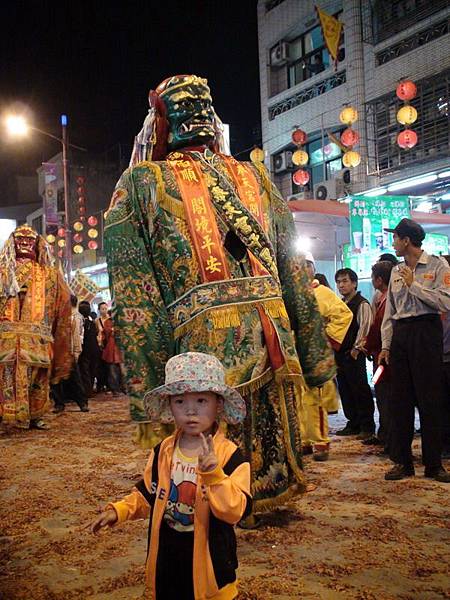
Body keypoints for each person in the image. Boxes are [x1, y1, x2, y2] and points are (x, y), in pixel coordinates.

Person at [104, 74, 335, 511]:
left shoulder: (141, 183)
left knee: (208, 420)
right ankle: (264, 494)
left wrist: (150, 381)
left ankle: (216, 504)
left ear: (162, 122)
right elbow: (292, 269)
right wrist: (313, 353)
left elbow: (136, 295)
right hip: (272, 329)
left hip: (203, 337)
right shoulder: (256, 177)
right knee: (265, 416)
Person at [89, 352, 251, 599]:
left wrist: (215, 476)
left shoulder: (230, 457)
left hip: (210, 562)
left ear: (218, 404)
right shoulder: (164, 450)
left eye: (201, 401)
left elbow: (235, 511)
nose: (190, 411)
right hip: (167, 554)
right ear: (169, 406)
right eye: (179, 402)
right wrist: (120, 511)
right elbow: (148, 493)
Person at [380, 218, 450, 482]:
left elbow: (445, 302)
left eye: (396, 238)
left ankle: (434, 465)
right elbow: (390, 312)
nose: (394, 243)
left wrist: (415, 286)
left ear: (406, 240)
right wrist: (386, 344)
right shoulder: (396, 270)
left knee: (430, 399)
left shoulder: (437, 265)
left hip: (426, 332)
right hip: (401, 335)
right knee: (400, 401)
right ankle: (403, 462)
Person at [0, 225, 72, 429]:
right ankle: (5, 413)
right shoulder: (3, 271)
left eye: (29, 240)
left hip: (36, 337)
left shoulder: (48, 273)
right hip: (6, 336)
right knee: (4, 377)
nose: (24, 243)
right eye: (20, 239)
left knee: (38, 379)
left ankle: (35, 415)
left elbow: (63, 302)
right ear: (12, 243)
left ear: (38, 244)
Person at [301, 254, 352, 461]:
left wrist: (324, 338)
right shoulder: (288, 293)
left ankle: (320, 441)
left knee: (316, 398)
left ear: (313, 268)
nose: (302, 271)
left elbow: (344, 315)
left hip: (315, 352)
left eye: (306, 266)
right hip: (294, 352)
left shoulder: (323, 293)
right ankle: (303, 440)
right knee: (297, 397)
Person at [334, 268, 375, 439]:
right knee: (345, 389)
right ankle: (354, 422)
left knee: (360, 389)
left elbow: (365, 327)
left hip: (354, 352)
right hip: (341, 353)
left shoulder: (362, 303)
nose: (341, 285)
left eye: (345, 281)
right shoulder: (340, 304)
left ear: (354, 283)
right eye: (339, 282)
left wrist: (356, 349)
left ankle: (367, 425)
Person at [364, 261, 395, 450]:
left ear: (379, 279)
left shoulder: (388, 300)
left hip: (383, 358)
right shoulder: (381, 298)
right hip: (379, 355)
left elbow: (378, 329)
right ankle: (384, 434)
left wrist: (369, 346)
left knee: (386, 399)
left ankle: (389, 439)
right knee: (383, 397)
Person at [52, 294, 89, 413]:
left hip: (69, 352)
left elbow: (76, 336)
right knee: (55, 379)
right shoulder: (58, 315)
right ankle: (59, 403)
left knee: (75, 379)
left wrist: (76, 351)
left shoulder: (76, 316)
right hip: (57, 350)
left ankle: (82, 403)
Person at [78, 300, 100, 398]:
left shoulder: (81, 322)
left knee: (85, 370)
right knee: (92, 369)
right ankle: (90, 388)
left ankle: (87, 391)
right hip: (95, 349)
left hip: (85, 350)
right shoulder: (93, 322)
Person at [102, 309, 124, 396]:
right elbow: (106, 334)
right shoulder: (108, 322)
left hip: (118, 348)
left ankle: (121, 388)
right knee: (112, 371)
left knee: (120, 371)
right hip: (111, 348)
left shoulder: (121, 322)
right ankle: (115, 389)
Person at [95, 301, 110, 393]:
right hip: (101, 345)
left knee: (109, 366)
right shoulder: (97, 321)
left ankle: (110, 385)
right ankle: (101, 384)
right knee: (101, 366)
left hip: (109, 345)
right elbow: (97, 332)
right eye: (102, 309)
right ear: (99, 310)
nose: (104, 310)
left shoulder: (111, 319)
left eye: (105, 308)